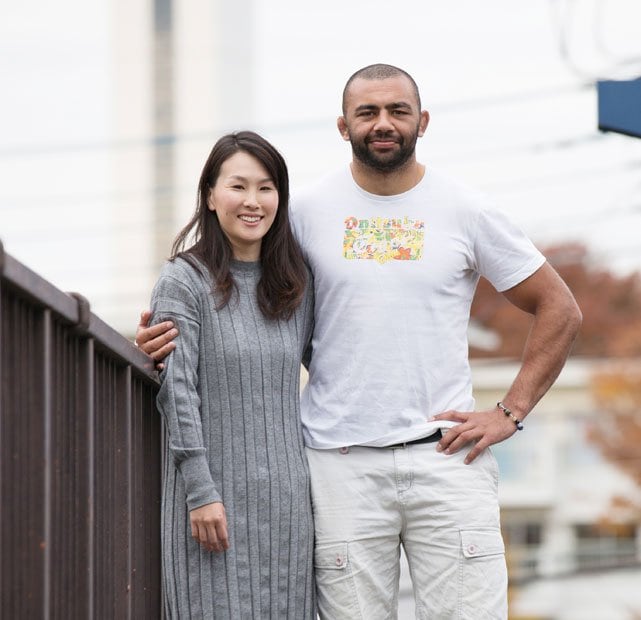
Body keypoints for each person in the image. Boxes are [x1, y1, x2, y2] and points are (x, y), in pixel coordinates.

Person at [138, 65, 582, 619]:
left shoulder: (466, 209)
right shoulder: (299, 216)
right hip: (338, 467)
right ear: (343, 126)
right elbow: (245, 301)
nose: (383, 124)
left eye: (397, 111)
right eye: (367, 112)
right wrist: (171, 331)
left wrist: (509, 413)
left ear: (422, 121)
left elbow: (559, 307)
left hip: (446, 458)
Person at [149, 130, 315, 619]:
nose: (252, 201)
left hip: (288, 507)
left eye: (266, 188)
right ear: (210, 196)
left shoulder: (294, 284)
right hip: (211, 506)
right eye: (238, 186)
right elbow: (177, 390)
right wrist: (201, 493)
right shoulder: (184, 280)